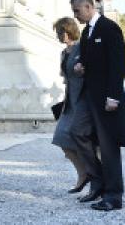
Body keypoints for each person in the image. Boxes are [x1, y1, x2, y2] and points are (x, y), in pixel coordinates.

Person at [69, 0, 125, 212]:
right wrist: (79, 64)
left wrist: (114, 96)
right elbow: (88, 59)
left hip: (107, 98)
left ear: (88, 7)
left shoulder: (109, 28)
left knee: (108, 147)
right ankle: (98, 181)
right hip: (90, 97)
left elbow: (117, 64)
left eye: (77, 11)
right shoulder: (87, 32)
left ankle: (114, 196)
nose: (75, 16)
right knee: (77, 132)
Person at [51, 16, 88, 193]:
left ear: (69, 31)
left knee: (87, 141)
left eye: (60, 31)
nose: (58, 35)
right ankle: (83, 173)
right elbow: (65, 78)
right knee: (61, 138)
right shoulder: (63, 53)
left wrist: (82, 70)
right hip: (70, 102)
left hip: (84, 100)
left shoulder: (83, 47)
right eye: (58, 32)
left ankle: (95, 178)